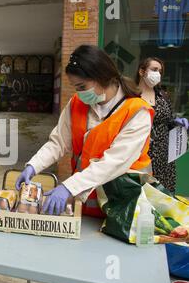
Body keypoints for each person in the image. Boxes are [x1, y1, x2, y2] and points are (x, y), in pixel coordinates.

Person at [16, 45, 154, 218]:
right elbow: (58, 143)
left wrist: (69, 187)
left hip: (123, 209)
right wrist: (33, 166)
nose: (79, 93)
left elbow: (113, 162)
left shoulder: (137, 112)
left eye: (82, 86)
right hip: (86, 203)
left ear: (102, 77)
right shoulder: (77, 104)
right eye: (75, 87)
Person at [136, 57, 189, 193]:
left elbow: (169, 120)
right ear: (142, 71)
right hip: (139, 154)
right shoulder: (132, 95)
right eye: (154, 69)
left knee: (164, 195)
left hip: (163, 156)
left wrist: (177, 122)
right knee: (142, 194)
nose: (158, 74)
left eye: (160, 71)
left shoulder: (162, 95)